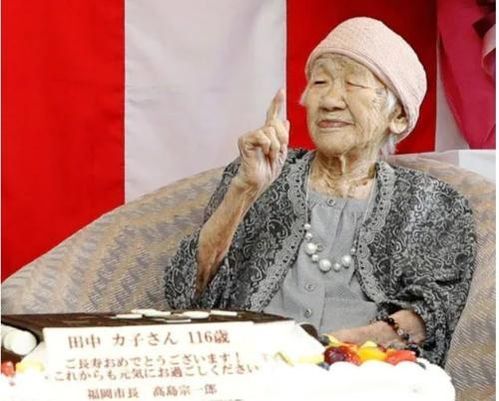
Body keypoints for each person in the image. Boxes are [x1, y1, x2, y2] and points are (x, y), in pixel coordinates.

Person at [164, 17, 475, 365]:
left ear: (398, 116)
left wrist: (341, 348)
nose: (329, 100)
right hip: (251, 369)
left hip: (366, 375)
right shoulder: (261, 175)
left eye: (352, 83)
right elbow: (185, 292)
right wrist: (243, 191)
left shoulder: (431, 203)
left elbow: (436, 307)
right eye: (320, 82)